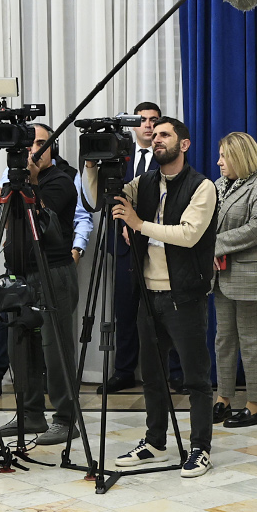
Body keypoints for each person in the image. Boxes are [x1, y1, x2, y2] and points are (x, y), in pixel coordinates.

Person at [107, 116, 219, 476]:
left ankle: (200, 448)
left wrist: (139, 225)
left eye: (164, 134)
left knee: (195, 378)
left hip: (183, 295)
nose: (156, 139)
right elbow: (105, 199)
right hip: (147, 292)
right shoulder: (144, 182)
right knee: (152, 376)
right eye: (153, 135)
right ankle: (155, 441)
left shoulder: (202, 186)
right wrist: (94, 167)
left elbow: (188, 235)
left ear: (183, 144)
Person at [0, 123, 81, 445]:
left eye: (41, 144)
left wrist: (34, 181)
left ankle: (66, 419)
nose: (33, 151)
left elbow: (45, 224)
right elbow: (12, 223)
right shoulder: (15, 183)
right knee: (20, 347)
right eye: (30, 144)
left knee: (56, 350)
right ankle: (30, 414)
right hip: (19, 274)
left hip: (52, 272)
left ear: (53, 148)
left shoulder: (62, 180)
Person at [212, 132, 257, 428]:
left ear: (241, 157)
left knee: (252, 341)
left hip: (256, 277)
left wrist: (214, 246)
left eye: (224, 156)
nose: (219, 162)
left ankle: (256, 406)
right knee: (224, 340)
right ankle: (223, 399)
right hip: (223, 275)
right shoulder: (218, 185)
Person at [99, 101, 162, 394]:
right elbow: (107, 195)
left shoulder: (166, 155)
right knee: (124, 311)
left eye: (153, 120)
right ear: (133, 126)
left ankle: (173, 372)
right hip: (123, 245)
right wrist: (125, 223)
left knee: (162, 312)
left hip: (157, 245)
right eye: (142, 120)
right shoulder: (119, 156)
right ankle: (123, 371)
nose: (148, 125)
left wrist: (140, 225)